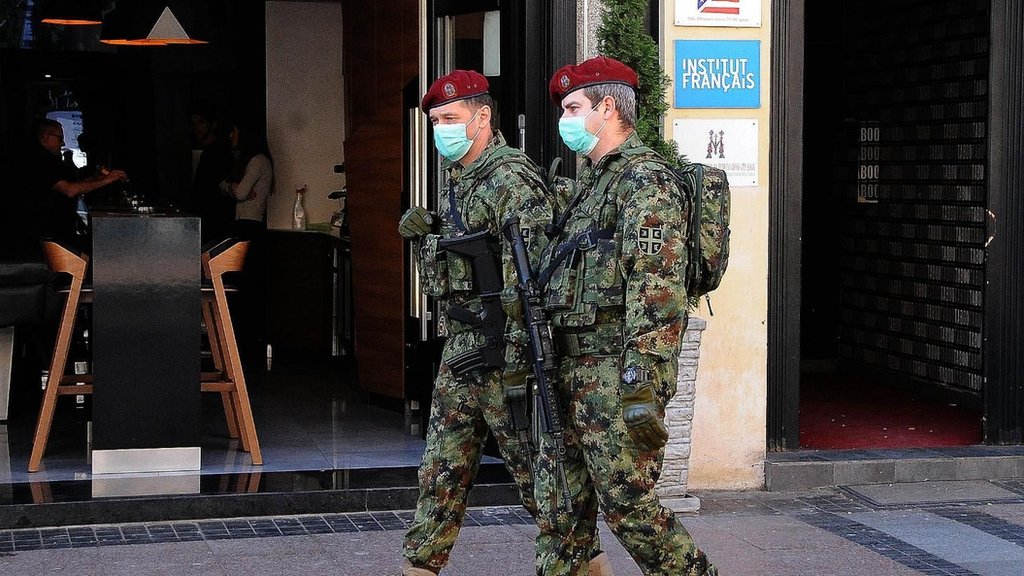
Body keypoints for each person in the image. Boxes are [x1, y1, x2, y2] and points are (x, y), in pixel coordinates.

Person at [396, 70, 609, 576]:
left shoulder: (511, 179)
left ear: (482, 118)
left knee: (542, 481)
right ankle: (419, 566)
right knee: (441, 471)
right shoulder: (458, 179)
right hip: (464, 346)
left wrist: (521, 363)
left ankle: (586, 564)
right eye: (435, 121)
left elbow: (530, 280)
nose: (441, 130)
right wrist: (428, 240)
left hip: (507, 354)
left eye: (451, 118)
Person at [534, 56, 718, 576]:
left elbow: (657, 289)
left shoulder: (645, 180)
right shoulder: (593, 184)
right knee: (560, 511)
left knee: (629, 508)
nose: (565, 120)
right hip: (569, 372)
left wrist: (641, 385)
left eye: (574, 108)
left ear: (608, 108)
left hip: (615, 375)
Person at [20, 118, 128, 247]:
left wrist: (97, 179)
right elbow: (69, 190)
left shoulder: (49, 159)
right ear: (45, 137)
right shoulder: (40, 160)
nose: (63, 143)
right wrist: (107, 179)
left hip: (56, 231)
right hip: (47, 234)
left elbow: (73, 184)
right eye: (60, 138)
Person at [219, 120, 274, 367]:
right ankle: (241, 345)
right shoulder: (249, 161)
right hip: (246, 226)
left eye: (234, 131)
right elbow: (238, 190)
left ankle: (245, 346)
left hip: (249, 227)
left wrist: (229, 187)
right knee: (243, 285)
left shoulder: (257, 161)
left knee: (246, 286)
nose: (230, 135)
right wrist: (233, 188)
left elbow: (240, 193)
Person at [188, 103, 235, 242]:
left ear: (213, 125)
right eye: (193, 123)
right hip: (209, 219)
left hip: (214, 220)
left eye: (201, 122)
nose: (196, 127)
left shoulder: (217, 152)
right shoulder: (208, 152)